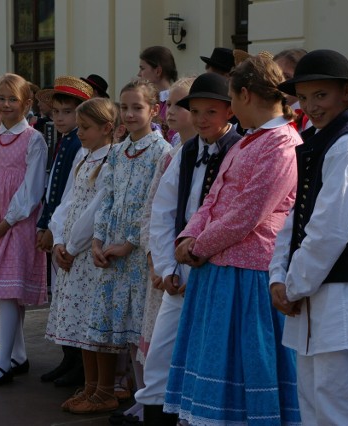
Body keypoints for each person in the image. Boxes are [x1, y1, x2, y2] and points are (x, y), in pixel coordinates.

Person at [167, 55, 301, 425]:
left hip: (250, 272)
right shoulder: (247, 142)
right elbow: (213, 197)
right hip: (217, 268)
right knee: (215, 359)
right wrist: (189, 234)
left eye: (231, 96)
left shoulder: (282, 144)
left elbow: (247, 214)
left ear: (244, 94)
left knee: (248, 362)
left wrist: (196, 246)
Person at [271, 49, 348, 425]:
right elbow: (295, 214)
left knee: (345, 408)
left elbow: (330, 229)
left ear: (345, 94)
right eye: (304, 97)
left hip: (344, 296)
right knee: (315, 403)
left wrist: (293, 284)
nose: (311, 105)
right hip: (315, 293)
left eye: (320, 95)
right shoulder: (318, 139)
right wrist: (278, 275)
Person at [134, 73, 241, 425]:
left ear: (229, 112)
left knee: (210, 355)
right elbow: (163, 213)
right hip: (179, 274)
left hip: (218, 270)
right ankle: (156, 412)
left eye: (211, 111)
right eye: (195, 111)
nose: (201, 119)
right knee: (160, 354)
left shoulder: (238, 150)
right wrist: (166, 267)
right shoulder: (185, 152)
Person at [83, 79, 171, 414]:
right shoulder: (118, 152)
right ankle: (136, 395)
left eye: (137, 107)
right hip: (112, 250)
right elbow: (106, 198)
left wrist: (131, 243)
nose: (130, 114)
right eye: (125, 107)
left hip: (137, 255)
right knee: (122, 331)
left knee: (141, 332)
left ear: (154, 110)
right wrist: (98, 238)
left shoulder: (160, 152)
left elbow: (155, 205)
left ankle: (147, 398)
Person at [0, 73, 48, 388]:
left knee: (8, 291)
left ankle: (3, 362)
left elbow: (32, 188)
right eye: (1, 98)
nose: (5, 104)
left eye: (12, 99)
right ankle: (17, 354)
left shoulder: (33, 139)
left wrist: (8, 220)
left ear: (26, 103)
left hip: (17, 223)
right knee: (6, 292)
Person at [126, 76, 196, 423]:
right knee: (157, 347)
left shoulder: (209, 152)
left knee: (181, 346)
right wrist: (156, 259)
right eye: (170, 103)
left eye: (181, 104)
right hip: (162, 265)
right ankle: (154, 406)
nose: (171, 111)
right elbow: (153, 210)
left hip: (187, 267)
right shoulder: (172, 154)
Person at [43, 97, 117, 412]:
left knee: (96, 324)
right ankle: (88, 386)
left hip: (88, 252)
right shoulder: (83, 156)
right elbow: (68, 201)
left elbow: (96, 209)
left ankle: (105, 389)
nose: (80, 132)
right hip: (72, 250)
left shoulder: (111, 160)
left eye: (86, 127)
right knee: (82, 325)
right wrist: (58, 237)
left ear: (107, 128)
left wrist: (72, 246)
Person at [34, 76, 93, 387]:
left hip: (70, 233)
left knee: (71, 299)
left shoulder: (78, 145)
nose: (59, 118)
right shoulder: (65, 141)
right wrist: (46, 224)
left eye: (66, 112)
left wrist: (50, 228)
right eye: (55, 111)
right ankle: (67, 358)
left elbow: (69, 193)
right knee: (61, 298)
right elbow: (53, 188)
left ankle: (77, 364)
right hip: (58, 228)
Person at [138, 46, 178, 141]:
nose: (139, 74)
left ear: (158, 71)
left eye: (142, 68)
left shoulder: (174, 102)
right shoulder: (147, 100)